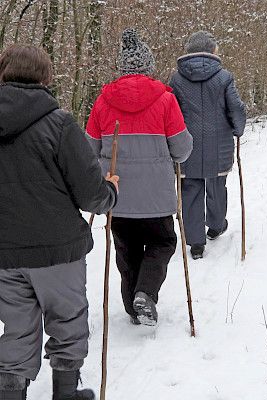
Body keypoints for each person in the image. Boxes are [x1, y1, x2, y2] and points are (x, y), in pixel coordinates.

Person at [0, 45, 119, 400]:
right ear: (45, 77)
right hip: (58, 249)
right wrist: (110, 191)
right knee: (67, 322)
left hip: (5, 253)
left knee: (17, 329)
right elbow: (91, 194)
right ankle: (66, 395)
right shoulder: (59, 124)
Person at [86, 29, 193, 326]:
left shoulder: (102, 101)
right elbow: (182, 149)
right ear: (148, 66)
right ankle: (145, 293)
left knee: (127, 251)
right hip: (157, 196)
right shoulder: (165, 99)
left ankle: (133, 309)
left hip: (117, 196)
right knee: (162, 243)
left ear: (121, 67)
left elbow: (88, 149)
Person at [169, 31, 247, 260]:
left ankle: (195, 243)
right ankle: (215, 226)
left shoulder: (176, 79)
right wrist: (238, 129)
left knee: (190, 190)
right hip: (219, 144)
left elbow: (171, 112)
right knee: (216, 186)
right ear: (212, 50)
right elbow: (236, 108)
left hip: (187, 146)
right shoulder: (224, 77)